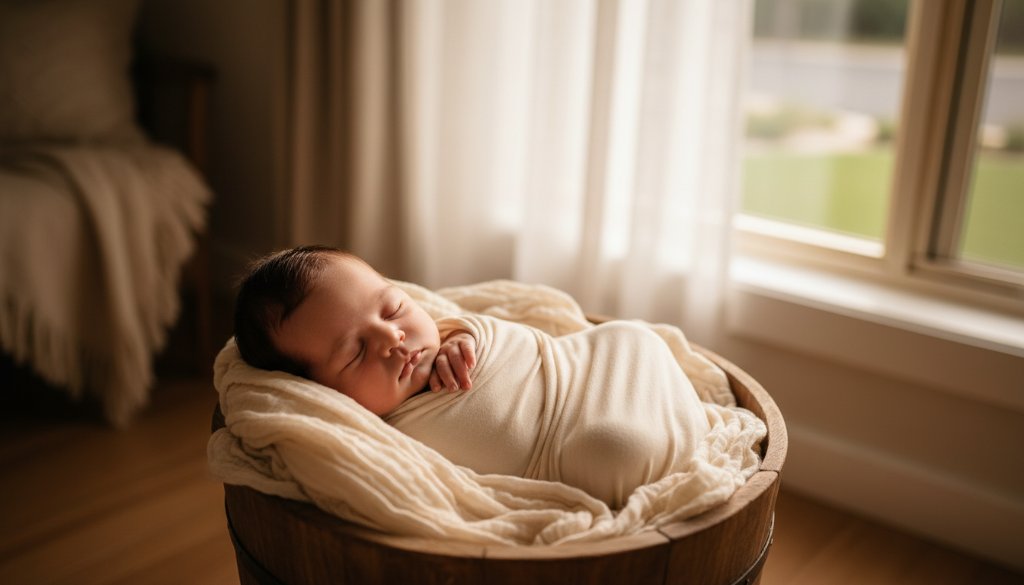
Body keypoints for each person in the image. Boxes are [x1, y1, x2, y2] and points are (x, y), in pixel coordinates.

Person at [234, 245, 711, 507]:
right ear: (320, 392)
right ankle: (669, 431)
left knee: (629, 334)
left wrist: (465, 336)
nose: (392, 339)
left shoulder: (443, 339)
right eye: (355, 353)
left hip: (587, 364)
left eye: (393, 307)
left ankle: (667, 411)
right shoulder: (377, 434)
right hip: (568, 441)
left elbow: (486, 329)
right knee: (614, 450)